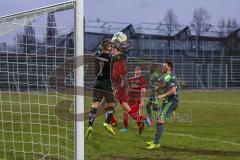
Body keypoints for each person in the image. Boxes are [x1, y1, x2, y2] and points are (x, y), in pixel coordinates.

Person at [110, 32, 146, 135]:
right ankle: (139, 121)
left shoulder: (118, 59)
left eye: (113, 49)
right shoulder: (118, 57)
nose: (112, 51)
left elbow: (115, 75)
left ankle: (113, 122)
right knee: (125, 106)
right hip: (122, 84)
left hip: (118, 85)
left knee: (106, 103)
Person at [85, 39, 116, 139]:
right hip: (107, 83)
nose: (111, 47)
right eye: (110, 45)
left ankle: (90, 126)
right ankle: (107, 123)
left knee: (95, 105)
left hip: (97, 82)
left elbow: (96, 70)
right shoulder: (111, 57)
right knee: (111, 105)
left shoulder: (97, 56)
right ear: (107, 46)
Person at [146, 61, 179, 149]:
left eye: (164, 66)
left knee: (160, 120)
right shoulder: (164, 77)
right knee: (159, 119)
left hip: (171, 101)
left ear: (169, 67)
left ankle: (156, 143)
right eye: (162, 66)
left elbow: (173, 91)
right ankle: (156, 141)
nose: (162, 67)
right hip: (167, 102)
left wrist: (162, 95)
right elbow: (161, 85)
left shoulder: (172, 77)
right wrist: (155, 90)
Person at [120, 66, 147, 132]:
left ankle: (145, 120)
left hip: (136, 99)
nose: (137, 71)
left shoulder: (142, 80)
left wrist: (142, 100)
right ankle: (126, 128)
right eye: (136, 70)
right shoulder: (131, 79)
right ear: (135, 71)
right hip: (129, 98)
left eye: (139, 70)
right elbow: (128, 88)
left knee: (134, 114)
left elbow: (143, 90)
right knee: (125, 112)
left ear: (140, 71)